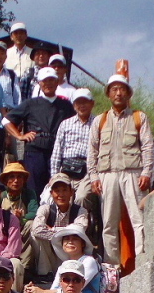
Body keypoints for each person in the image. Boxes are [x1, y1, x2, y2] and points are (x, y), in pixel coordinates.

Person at [88, 75, 154, 266]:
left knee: (139, 218)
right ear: (108, 94)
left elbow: (148, 147)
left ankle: (143, 261)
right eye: (114, 89)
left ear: (128, 93)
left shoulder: (139, 117)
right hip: (106, 174)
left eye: (122, 89)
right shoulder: (100, 120)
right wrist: (93, 176)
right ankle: (111, 266)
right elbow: (92, 150)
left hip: (133, 172)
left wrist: (146, 172)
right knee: (108, 222)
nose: (118, 93)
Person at [4, 67, 75, 195]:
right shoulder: (30, 104)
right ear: (39, 83)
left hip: (58, 152)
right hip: (35, 153)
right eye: (45, 81)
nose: (48, 84)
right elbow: (6, 121)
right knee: (34, 190)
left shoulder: (66, 105)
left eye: (51, 80)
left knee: (58, 188)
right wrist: (20, 136)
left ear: (57, 82)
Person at [50, 88, 100, 251]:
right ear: (74, 105)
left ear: (92, 104)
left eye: (85, 102)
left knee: (81, 198)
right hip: (66, 169)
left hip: (88, 169)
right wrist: (54, 177)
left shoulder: (98, 123)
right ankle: (63, 237)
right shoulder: (66, 124)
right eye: (78, 102)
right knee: (57, 198)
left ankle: (80, 235)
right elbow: (57, 151)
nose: (82, 105)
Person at [30, 173, 88, 275]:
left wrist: (53, 229)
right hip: (50, 255)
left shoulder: (81, 210)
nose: (61, 194)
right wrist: (66, 232)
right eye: (57, 191)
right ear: (51, 193)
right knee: (34, 235)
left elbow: (79, 230)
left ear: (71, 192)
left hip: (71, 254)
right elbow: (37, 230)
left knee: (76, 239)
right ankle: (45, 274)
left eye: (64, 190)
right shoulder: (45, 209)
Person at [25, 225, 100, 293]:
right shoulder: (63, 265)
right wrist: (33, 290)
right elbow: (54, 289)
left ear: (82, 244)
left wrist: (43, 292)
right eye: (66, 239)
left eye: (75, 239)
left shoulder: (89, 261)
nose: (70, 242)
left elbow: (76, 288)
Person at [0, 162, 39, 272]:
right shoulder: (1, 196)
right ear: (6, 180)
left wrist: (22, 217)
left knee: (31, 225)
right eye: (12, 177)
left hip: (22, 228)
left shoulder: (29, 194)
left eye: (19, 177)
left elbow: (35, 212)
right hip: (4, 231)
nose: (16, 180)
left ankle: (25, 267)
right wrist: (10, 217)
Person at [0, 40, 21, 111]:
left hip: (9, 113)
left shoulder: (11, 75)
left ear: (6, 57)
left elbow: (17, 98)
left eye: (2, 53)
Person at [4, 22, 33, 90]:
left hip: (28, 88)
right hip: (10, 87)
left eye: (21, 33)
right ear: (11, 37)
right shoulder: (6, 53)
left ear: (26, 35)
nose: (19, 36)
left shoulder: (33, 53)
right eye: (16, 33)